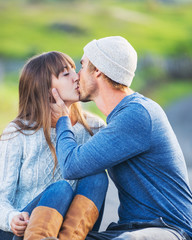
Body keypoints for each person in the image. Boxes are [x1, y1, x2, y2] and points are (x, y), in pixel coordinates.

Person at [51, 36, 192, 240]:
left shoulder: (138, 114)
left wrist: (63, 118)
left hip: (169, 229)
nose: (77, 76)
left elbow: (71, 165)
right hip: (127, 229)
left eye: (82, 65)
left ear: (98, 70)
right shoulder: (122, 117)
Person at [0, 51, 108, 240]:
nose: (77, 77)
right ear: (45, 88)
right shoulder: (18, 133)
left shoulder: (94, 127)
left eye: (75, 70)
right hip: (21, 231)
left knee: (97, 178)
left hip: (70, 231)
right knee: (61, 189)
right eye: (66, 74)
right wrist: (11, 218)